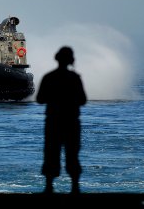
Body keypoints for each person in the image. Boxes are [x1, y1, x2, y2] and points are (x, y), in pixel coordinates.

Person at [36, 46, 87, 194]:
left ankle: (49, 187)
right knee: (72, 154)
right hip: (71, 123)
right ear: (71, 60)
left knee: (51, 154)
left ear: (56, 58)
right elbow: (83, 100)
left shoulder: (49, 77)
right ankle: (75, 187)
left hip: (53, 123)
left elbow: (39, 99)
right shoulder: (75, 78)